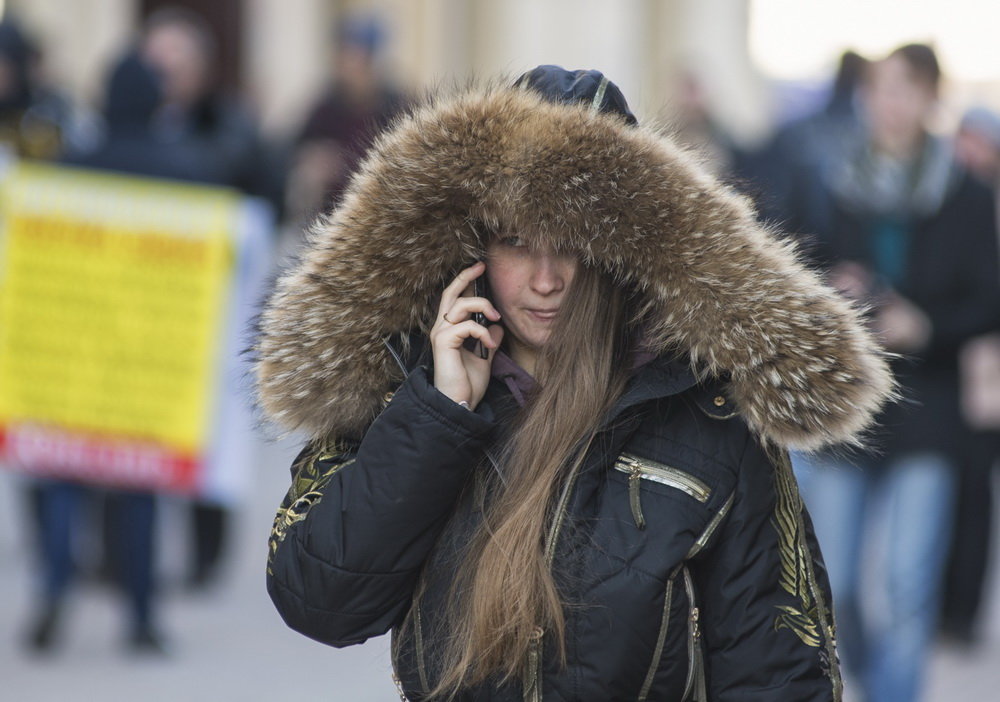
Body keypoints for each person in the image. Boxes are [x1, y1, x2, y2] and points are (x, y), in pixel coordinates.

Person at [255, 66, 893, 701]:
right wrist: (438, 414)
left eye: (571, 243)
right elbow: (320, 603)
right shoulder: (406, 385)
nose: (544, 279)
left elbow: (777, 672)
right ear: (469, 246)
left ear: (622, 249)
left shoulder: (710, 412)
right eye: (514, 240)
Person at [790, 46, 1000, 702]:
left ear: (930, 98)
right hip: (847, 411)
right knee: (840, 583)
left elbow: (988, 298)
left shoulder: (964, 190)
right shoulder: (831, 177)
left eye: (905, 91)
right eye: (880, 90)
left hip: (929, 413)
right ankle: (872, 679)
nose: (890, 105)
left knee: (909, 586)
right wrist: (835, 288)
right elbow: (794, 264)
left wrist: (925, 325)